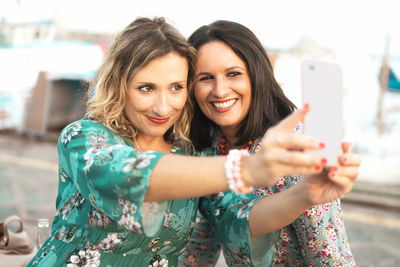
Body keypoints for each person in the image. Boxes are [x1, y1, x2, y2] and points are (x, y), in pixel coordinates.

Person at [26, 17, 332, 267]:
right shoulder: (82, 137)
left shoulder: (194, 152)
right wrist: (247, 169)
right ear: (119, 85)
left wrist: (306, 194)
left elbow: (236, 217)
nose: (163, 107)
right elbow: (125, 174)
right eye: (146, 88)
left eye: (176, 87)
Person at [179, 20, 361, 266]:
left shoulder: (294, 150)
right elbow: (198, 250)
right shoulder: (207, 147)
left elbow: (329, 257)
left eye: (233, 74)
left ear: (257, 75)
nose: (220, 91)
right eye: (206, 78)